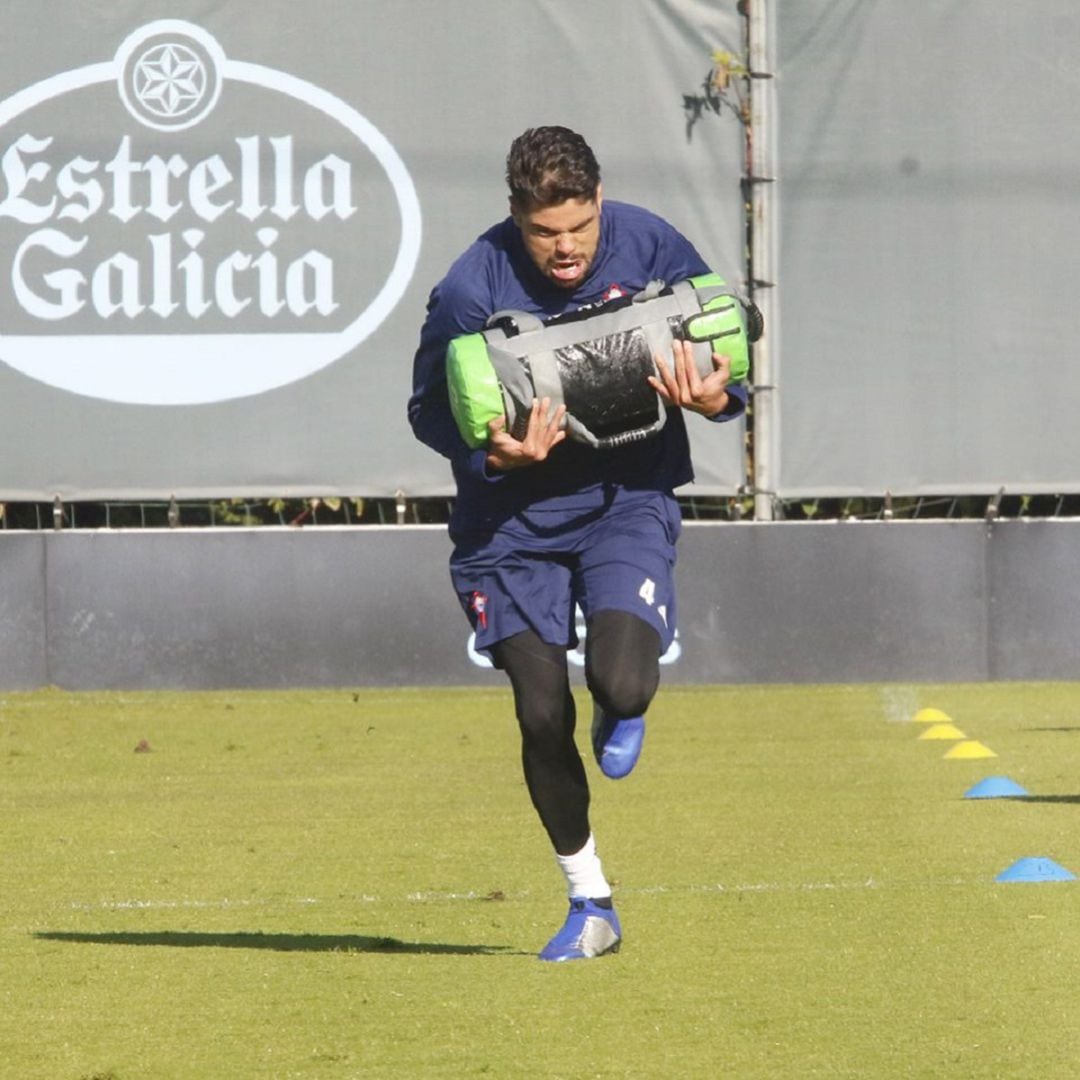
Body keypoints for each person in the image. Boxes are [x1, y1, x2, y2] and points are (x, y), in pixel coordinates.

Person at [408, 126, 747, 962]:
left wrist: (716, 398)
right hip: (508, 530)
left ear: (599, 204)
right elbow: (424, 410)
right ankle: (590, 902)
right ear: (516, 217)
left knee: (623, 689)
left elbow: (720, 351)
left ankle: (620, 691)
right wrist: (491, 451)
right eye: (544, 233)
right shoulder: (469, 287)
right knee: (539, 713)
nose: (565, 250)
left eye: (579, 228)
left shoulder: (651, 241)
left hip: (623, 500)